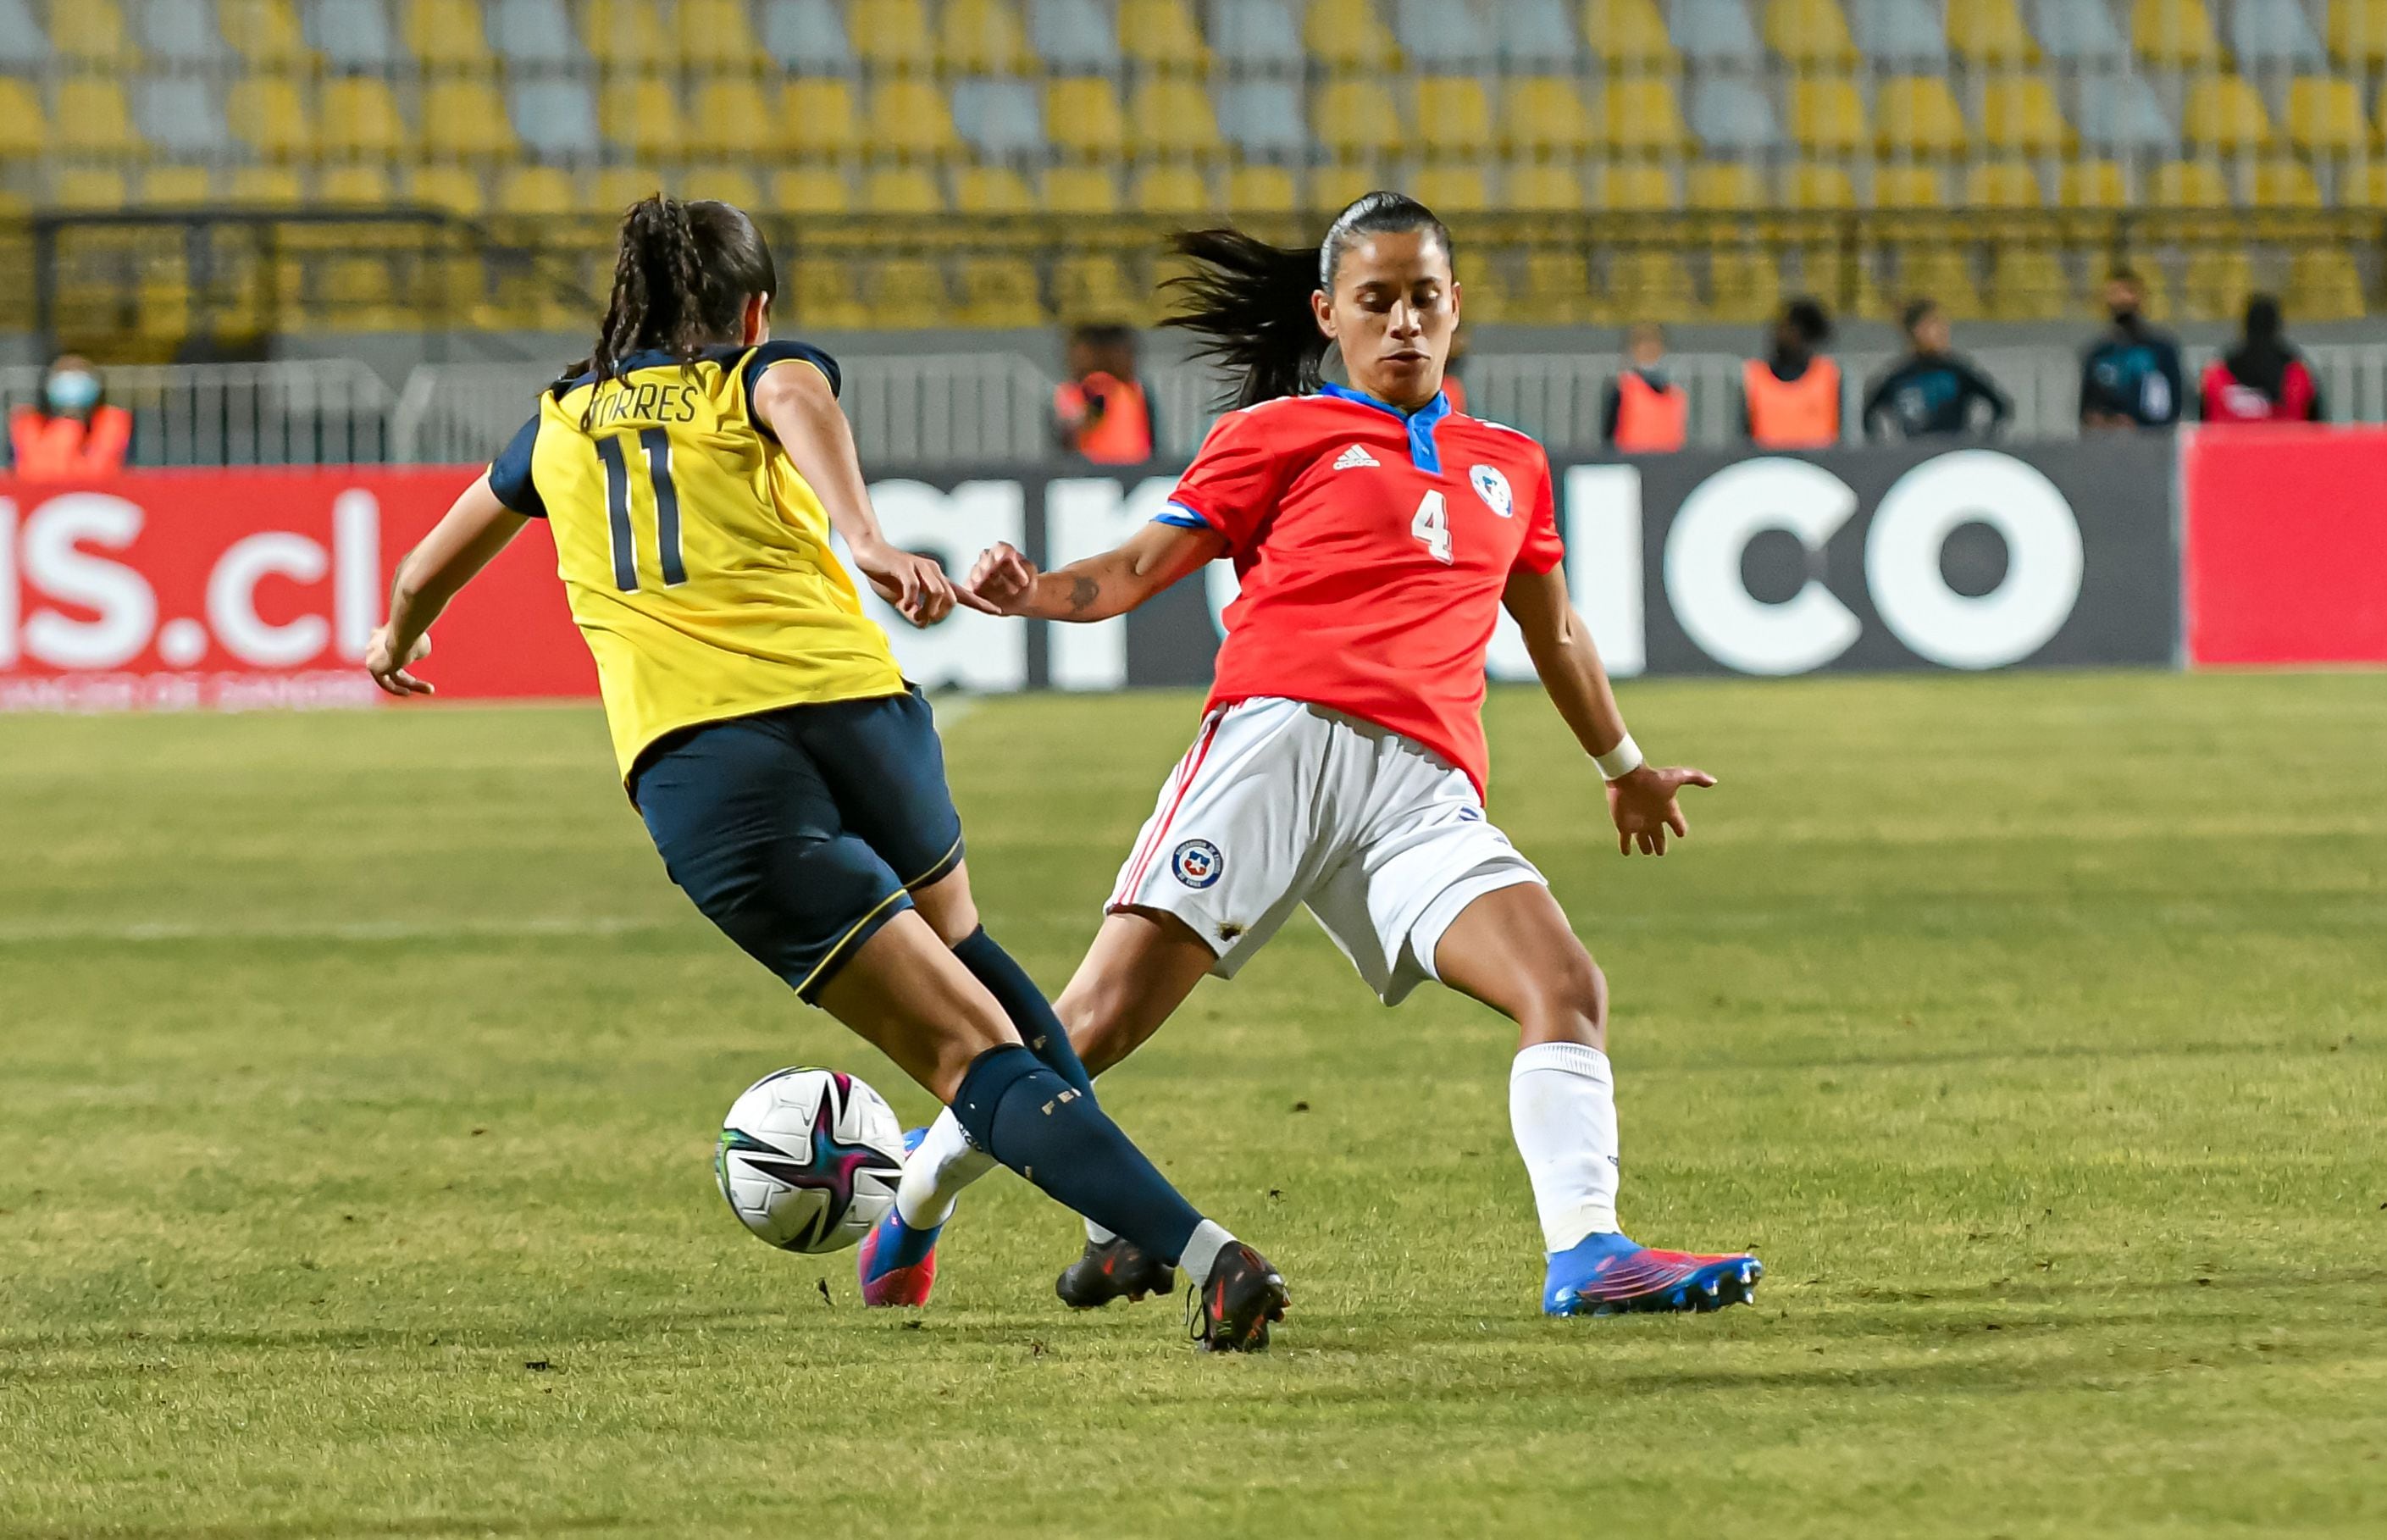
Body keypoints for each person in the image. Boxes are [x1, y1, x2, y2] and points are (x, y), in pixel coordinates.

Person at [363, 196, 1288, 1352]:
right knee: (969, 961)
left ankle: (1208, 1254)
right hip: (863, 716)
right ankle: (1117, 1218)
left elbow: (425, 567)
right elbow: (791, 394)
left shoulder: (556, 424)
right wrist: (862, 535)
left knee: (963, 1048)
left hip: (711, 764)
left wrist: (396, 641)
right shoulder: (752, 372)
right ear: (752, 310)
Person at [873, 192, 1762, 1321]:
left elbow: (1558, 633)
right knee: (1087, 1028)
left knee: (1564, 985)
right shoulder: (1278, 433)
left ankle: (1585, 1250)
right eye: (1375, 300)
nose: (1402, 322)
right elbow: (1140, 567)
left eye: (1422, 298)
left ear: (1456, 309)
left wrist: (1622, 764)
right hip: (1276, 752)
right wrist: (1033, 593)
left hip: (1421, 794)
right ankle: (915, 1197)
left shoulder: (1510, 465)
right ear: (1327, 314)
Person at [1862, 298, 2013, 440]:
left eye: (1943, 325)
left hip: (1952, 456)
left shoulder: (1957, 371)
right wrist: (1885, 448)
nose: (1943, 331)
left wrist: (1979, 443)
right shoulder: (1898, 377)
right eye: (1933, 325)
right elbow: (1869, 414)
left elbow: (2000, 405)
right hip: (1914, 457)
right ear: (1915, 331)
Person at [2080, 270, 2185, 430]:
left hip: (2151, 442)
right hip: (2106, 444)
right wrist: (2104, 421)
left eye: (2128, 293)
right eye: (2114, 293)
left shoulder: (2160, 350)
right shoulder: (2099, 354)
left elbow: (2172, 404)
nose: (2122, 300)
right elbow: (2087, 407)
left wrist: (2141, 424)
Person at [2200, 294, 2323, 424]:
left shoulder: (2216, 375)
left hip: (2229, 444)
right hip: (2284, 443)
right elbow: (2315, 426)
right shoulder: (2297, 375)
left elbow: (2203, 423)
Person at [8, 353, 131, 479]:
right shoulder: (28, 427)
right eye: (65, 374)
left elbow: (99, 470)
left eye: (80, 374)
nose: (72, 382)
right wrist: (67, 426)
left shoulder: (112, 426)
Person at [1051, 322, 1158, 464]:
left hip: (1137, 468)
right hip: (1097, 473)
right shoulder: (1074, 391)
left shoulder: (1136, 390)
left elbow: (1152, 438)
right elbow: (1070, 432)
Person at [1742, 297, 1841, 449]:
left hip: (1819, 468)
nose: (1779, 334)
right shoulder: (1753, 376)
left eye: (1789, 329)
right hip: (1766, 466)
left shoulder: (1829, 375)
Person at [1602, 322, 1687, 453]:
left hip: (1670, 466)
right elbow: (1608, 437)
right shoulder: (1622, 390)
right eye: (1642, 343)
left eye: (1653, 342)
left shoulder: (1675, 393)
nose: (1648, 349)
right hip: (1633, 464)